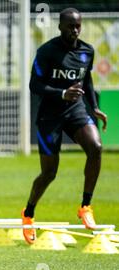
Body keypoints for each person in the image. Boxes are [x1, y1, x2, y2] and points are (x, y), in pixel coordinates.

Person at [21, 8, 108, 244]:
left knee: (96, 147)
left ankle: (86, 206)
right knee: (49, 173)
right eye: (70, 26)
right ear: (60, 26)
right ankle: (28, 213)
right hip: (50, 114)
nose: (75, 30)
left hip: (76, 109)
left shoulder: (87, 51)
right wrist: (61, 93)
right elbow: (34, 85)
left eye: (78, 26)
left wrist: (94, 106)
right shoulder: (47, 51)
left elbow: (86, 78)